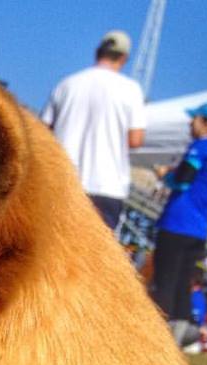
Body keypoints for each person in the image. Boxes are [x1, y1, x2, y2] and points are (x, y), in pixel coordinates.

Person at [41, 31, 146, 231]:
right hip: (106, 186)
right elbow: (135, 139)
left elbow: (42, 130)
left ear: (98, 52)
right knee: (90, 258)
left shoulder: (67, 84)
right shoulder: (131, 89)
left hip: (61, 180)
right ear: (124, 58)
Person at [152, 102, 207, 343]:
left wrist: (165, 175)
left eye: (195, 119)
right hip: (199, 229)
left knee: (165, 280)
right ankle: (181, 334)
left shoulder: (202, 147)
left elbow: (183, 179)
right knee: (182, 284)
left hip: (177, 222)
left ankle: (159, 338)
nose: (191, 123)